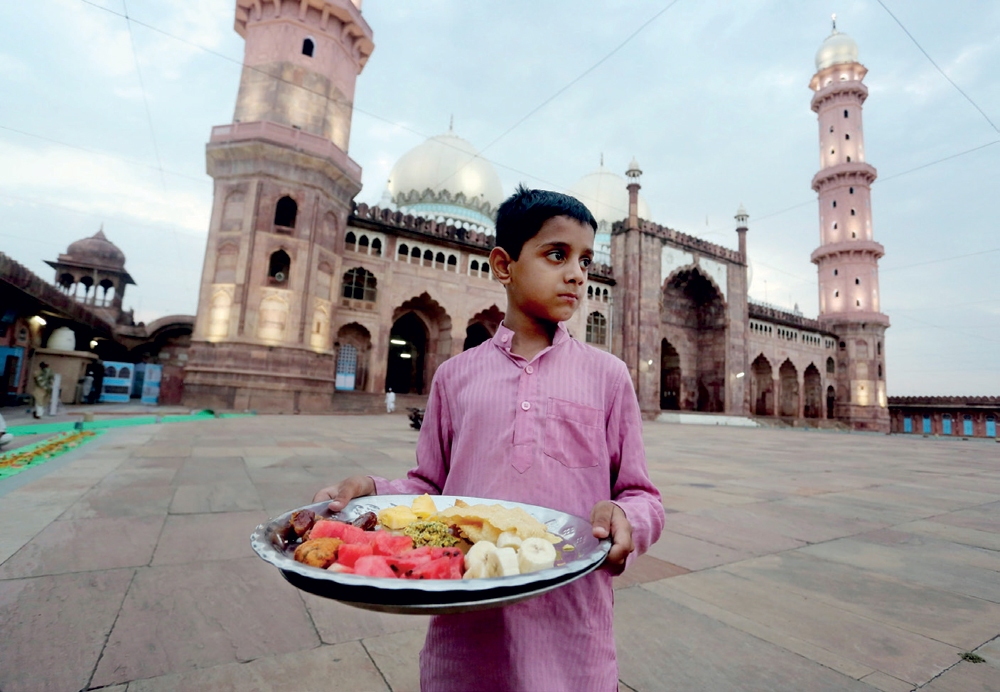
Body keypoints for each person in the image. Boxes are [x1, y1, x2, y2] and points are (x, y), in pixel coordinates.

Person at [314, 185, 665, 692]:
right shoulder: (456, 377)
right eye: (556, 254)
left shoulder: (607, 376)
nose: (576, 274)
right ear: (504, 266)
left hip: (572, 636)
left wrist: (628, 517)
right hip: (467, 630)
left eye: (586, 261)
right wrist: (374, 490)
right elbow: (431, 489)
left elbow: (642, 495)